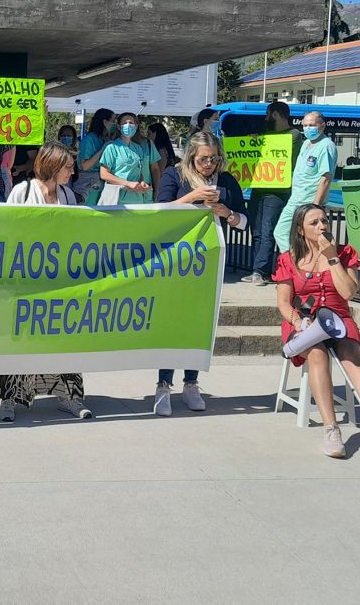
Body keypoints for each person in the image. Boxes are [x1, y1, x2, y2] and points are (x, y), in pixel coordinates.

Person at [273, 203, 360, 458]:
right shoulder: (288, 259)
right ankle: (331, 428)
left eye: (324, 221)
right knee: (316, 353)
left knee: (349, 351)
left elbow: (348, 292)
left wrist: (332, 257)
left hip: (339, 317)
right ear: (301, 230)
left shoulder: (345, 253)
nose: (322, 226)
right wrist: (298, 322)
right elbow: (283, 302)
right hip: (302, 320)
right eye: (314, 223)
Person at [0, 142, 93, 422]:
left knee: (63, 338)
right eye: (68, 166)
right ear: (52, 165)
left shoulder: (68, 196)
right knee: (19, 339)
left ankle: (69, 397)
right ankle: (9, 399)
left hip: (60, 280)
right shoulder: (21, 192)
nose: (72, 172)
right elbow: (7, 232)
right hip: (25, 280)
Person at [153, 131, 248, 416]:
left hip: (209, 262)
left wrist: (227, 213)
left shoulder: (227, 181)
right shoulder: (175, 176)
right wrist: (193, 197)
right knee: (172, 324)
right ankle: (163, 385)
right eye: (204, 159)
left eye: (215, 159)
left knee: (199, 323)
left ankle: (191, 383)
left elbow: (244, 222)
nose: (209, 165)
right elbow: (158, 210)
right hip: (177, 260)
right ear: (191, 156)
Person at [242, 101, 303, 285]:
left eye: (268, 114)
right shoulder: (268, 135)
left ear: (275, 114)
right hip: (259, 188)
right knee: (258, 231)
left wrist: (261, 141)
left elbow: (276, 147)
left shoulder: (293, 134)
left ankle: (260, 271)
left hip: (277, 191)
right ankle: (259, 269)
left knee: (268, 230)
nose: (266, 118)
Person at [273, 111, 337, 252]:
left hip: (309, 201)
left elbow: (325, 179)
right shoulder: (306, 143)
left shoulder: (326, 146)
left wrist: (316, 206)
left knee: (312, 239)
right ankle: (295, 264)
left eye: (312, 125)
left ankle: (311, 266)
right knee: (281, 232)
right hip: (296, 199)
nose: (308, 128)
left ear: (322, 126)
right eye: (305, 125)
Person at [98, 112, 161, 203]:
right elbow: (104, 174)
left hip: (137, 198)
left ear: (136, 126)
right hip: (117, 197)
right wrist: (127, 183)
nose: (128, 125)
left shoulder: (138, 148)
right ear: (119, 127)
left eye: (131, 123)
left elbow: (139, 172)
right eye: (124, 123)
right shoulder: (111, 148)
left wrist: (142, 182)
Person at [72, 108, 114, 205]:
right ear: (105, 122)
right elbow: (85, 166)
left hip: (101, 184)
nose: (114, 124)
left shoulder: (106, 139)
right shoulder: (89, 139)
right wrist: (103, 149)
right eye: (113, 121)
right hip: (86, 185)